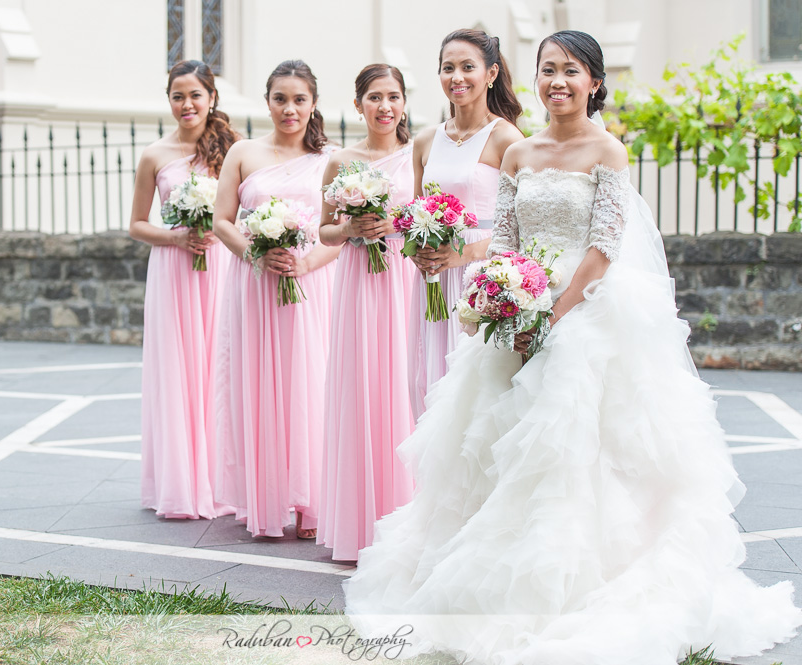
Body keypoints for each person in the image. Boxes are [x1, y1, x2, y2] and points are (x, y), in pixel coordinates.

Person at [344, 30, 801, 664]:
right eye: (548, 70)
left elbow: (604, 248)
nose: (558, 81)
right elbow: (504, 237)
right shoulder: (519, 154)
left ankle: (580, 581)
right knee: (487, 445)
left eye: (572, 71)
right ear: (533, 79)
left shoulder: (607, 150)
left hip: (584, 313)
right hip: (515, 307)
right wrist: (497, 298)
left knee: (574, 447)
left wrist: (551, 317)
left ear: (593, 82)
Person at [211, 60, 339, 539]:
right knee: (259, 386)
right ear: (267, 102)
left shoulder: (331, 158)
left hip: (310, 287)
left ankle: (311, 505)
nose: (289, 108)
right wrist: (253, 255)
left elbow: (339, 233)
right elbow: (223, 219)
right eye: (280, 99)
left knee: (310, 385)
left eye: (299, 99)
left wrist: (307, 263)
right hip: (255, 285)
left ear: (313, 103)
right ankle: (265, 500)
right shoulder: (243, 152)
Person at [128, 61, 238, 520]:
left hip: (221, 265)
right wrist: (176, 236)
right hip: (174, 271)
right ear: (169, 101)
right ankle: (179, 483)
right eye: (178, 96)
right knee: (178, 369)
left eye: (195, 95)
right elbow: (135, 225)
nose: (187, 104)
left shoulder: (233, 149)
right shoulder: (155, 155)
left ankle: (224, 482)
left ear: (211, 97)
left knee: (221, 366)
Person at [318, 64, 418, 561]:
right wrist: (353, 228)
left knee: (404, 383)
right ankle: (358, 522)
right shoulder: (341, 160)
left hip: (404, 276)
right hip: (358, 281)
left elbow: (429, 211)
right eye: (374, 98)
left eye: (393, 97)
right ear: (358, 105)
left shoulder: (419, 154)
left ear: (404, 102)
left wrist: (393, 222)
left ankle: (408, 516)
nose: (385, 107)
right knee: (363, 386)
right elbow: (323, 231)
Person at [408, 29, 524, 419]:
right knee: (428, 385)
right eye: (448, 68)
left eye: (467, 67)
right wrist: (419, 251)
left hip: (480, 276)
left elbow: (521, 225)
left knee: (474, 395)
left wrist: (464, 253)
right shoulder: (425, 141)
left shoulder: (506, 137)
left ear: (491, 74)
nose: (456, 77)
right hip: (432, 282)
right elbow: (415, 212)